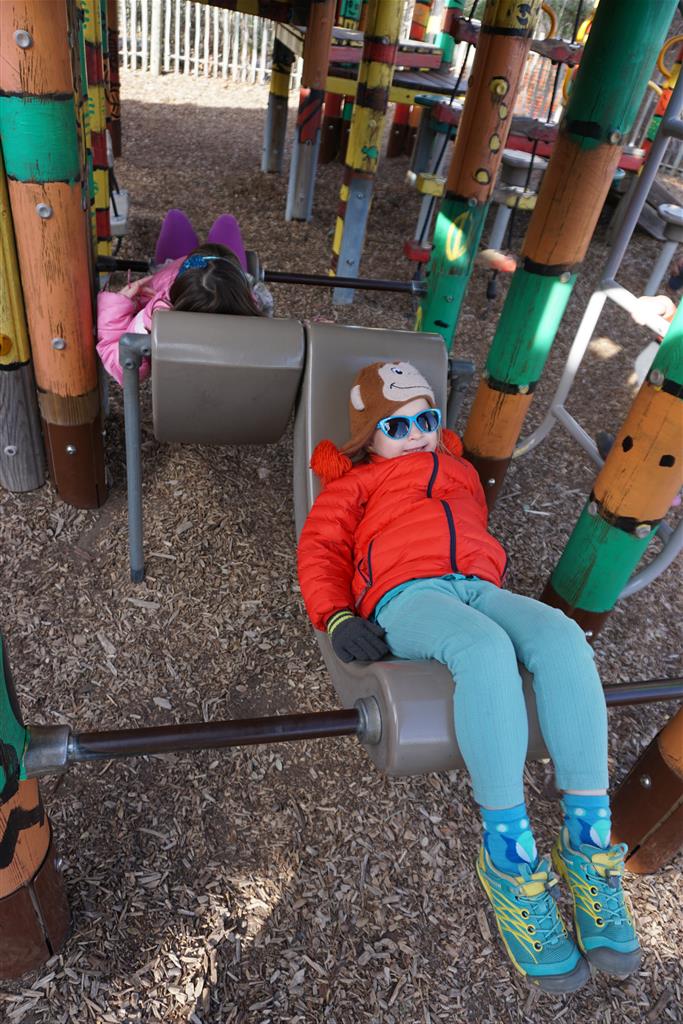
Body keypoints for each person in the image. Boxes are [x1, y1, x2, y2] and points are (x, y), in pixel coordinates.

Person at [297, 360, 641, 994]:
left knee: (563, 637)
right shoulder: (355, 485)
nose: (417, 434)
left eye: (426, 420)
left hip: (478, 588)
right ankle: (509, 858)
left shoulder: (457, 471)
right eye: (397, 426)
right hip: (406, 597)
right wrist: (338, 615)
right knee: (483, 650)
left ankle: (588, 845)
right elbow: (320, 550)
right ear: (369, 439)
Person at [97, 210, 270, 385]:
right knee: (227, 223)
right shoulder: (252, 318)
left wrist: (116, 307)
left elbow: (123, 367)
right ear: (241, 290)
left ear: (178, 289)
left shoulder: (155, 318)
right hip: (223, 283)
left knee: (176, 219)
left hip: (174, 275)